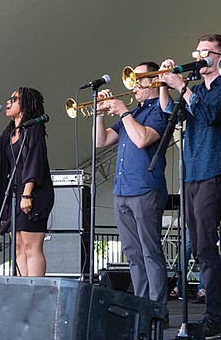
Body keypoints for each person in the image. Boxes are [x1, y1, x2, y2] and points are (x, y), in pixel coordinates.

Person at [159, 33, 221, 338]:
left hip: (214, 172)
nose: (199, 56)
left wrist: (181, 86)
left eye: (206, 52)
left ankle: (214, 318)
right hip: (192, 175)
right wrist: (166, 87)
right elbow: (170, 115)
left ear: (220, 57)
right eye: (197, 51)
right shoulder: (193, 90)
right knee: (200, 247)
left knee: (205, 246)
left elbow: (208, 115)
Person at [94, 62, 169, 321]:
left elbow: (142, 139)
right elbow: (100, 141)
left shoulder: (159, 111)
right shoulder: (132, 113)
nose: (134, 84)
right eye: (133, 78)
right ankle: (141, 306)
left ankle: (157, 309)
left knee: (150, 251)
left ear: (154, 82)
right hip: (122, 190)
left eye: (140, 79)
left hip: (146, 189)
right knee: (133, 253)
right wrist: (100, 113)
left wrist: (123, 111)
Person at [0, 87, 54, 277]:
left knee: (31, 246)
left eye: (14, 99)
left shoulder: (33, 129)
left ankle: (36, 291)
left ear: (25, 105)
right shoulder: (10, 132)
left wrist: (27, 194)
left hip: (32, 192)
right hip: (14, 194)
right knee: (18, 247)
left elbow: (35, 162)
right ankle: (24, 291)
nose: (8, 102)